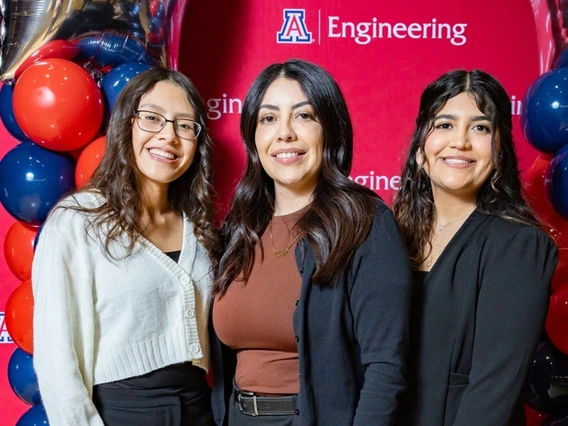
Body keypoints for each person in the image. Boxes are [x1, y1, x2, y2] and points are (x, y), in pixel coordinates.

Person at [210, 58, 413, 426]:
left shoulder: (365, 222)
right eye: (268, 119)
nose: (284, 133)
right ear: (254, 137)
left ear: (330, 130)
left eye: (304, 116)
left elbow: (386, 367)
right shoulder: (238, 229)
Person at [32, 68, 217, 426]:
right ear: (125, 125)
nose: (168, 136)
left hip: (200, 408)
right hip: (122, 411)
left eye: (184, 125)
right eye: (151, 119)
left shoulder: (200, 228)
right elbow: (57, 359)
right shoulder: (77, 221)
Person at [392, 69, 558, 426]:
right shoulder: (389, 240)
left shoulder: (520, 246)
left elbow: (493, 389)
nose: (461, 142)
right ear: (421, 146)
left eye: (480, 128)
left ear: (499, 152)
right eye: (445, 125)